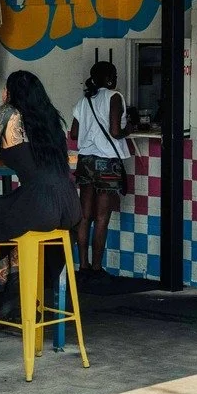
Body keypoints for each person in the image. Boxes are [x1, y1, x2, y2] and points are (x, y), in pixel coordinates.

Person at [0, 70, 81, 284]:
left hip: (40, 206)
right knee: (6, 216)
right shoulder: (49, 117)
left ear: (10, 93)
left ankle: (0, 288)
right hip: (70, 204)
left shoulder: (8, 112)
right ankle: (16, 289)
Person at [68, 61, 130, 280]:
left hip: (85, 161)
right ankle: (96, 267)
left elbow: (73, 134)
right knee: (102, 218)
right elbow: (115, 131)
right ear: (111, 78)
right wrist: (128, 129)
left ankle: (82, 265)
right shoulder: (115, 97)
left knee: (85, 216)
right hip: (106, 163)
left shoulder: (84, 101)